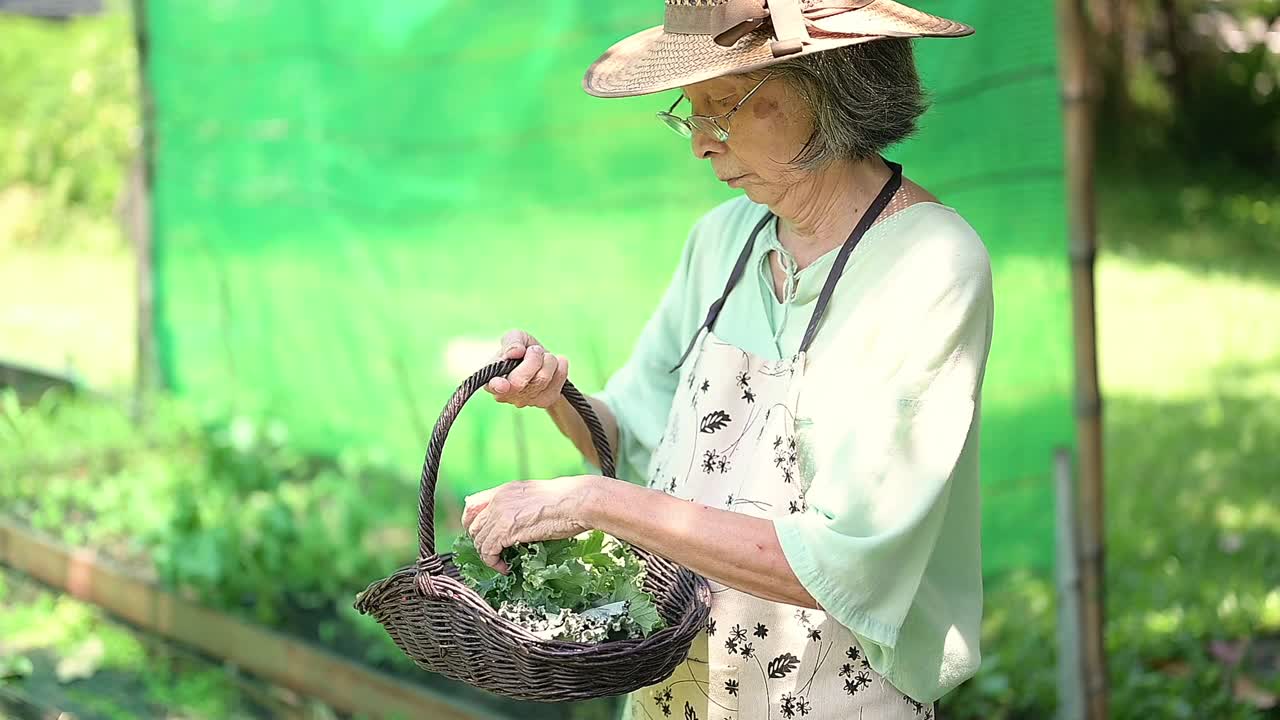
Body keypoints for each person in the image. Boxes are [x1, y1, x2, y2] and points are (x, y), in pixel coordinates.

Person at [461, 1, 992, 717]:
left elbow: (848, 565)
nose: (700, 143)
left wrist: (590, 503)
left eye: (727, 105)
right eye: (691, 109)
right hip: (679, 691)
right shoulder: (722, 241)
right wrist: (558, 395)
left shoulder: (929, 268)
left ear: (832, 91)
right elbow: (630, 444)